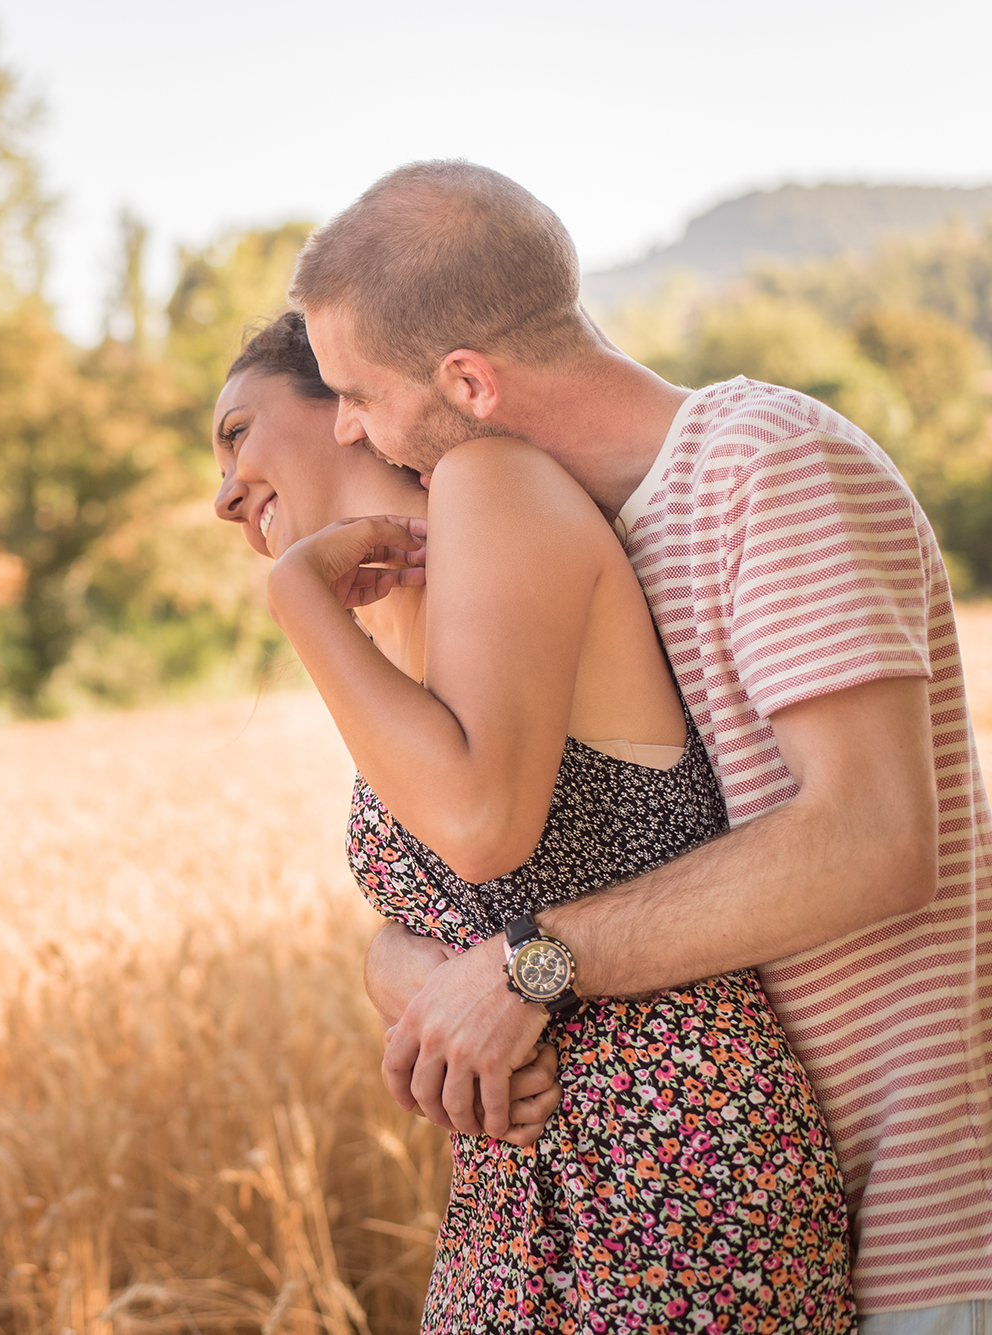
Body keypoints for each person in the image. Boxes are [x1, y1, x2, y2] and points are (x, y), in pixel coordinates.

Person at [295, 160, 992, 1331]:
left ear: (465, 381)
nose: (346, 428)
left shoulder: (762, 464)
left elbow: (871, 838)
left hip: (921, 1224)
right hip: (758, 1214)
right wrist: (418, 975)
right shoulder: (580, 542)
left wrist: (533, 964)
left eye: (356, 395)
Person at [213, 310, 855, 1329]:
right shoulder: (405, 629)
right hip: (514, 1183)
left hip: (670, 1158)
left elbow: (478, 830)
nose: (221, 493)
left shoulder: (489, 481)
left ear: (343, 404)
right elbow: (444, 908)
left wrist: (297, 601)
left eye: (236, 431)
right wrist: (406, 977)